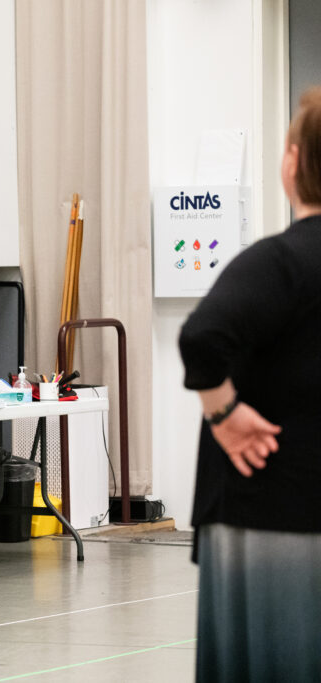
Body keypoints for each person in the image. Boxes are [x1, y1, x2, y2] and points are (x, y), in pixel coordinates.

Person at [178, 86, 321, 682]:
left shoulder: (282, 260)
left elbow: (203, 337)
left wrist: (223, 412)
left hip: (267, 507)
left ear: (293, 161)